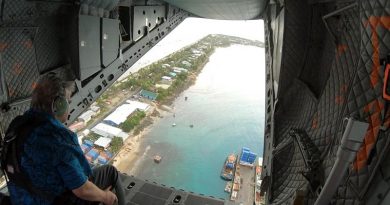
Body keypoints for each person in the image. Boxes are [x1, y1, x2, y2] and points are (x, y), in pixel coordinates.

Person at [4, 73, 125, 205]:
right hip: (58, 201)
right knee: (110, 172)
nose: (69, 105)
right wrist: (105, 197)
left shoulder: (16, 125)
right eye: (68, 101)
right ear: (59, 104)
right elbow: (82, 189)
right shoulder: (58, 137)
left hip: (21, 200)